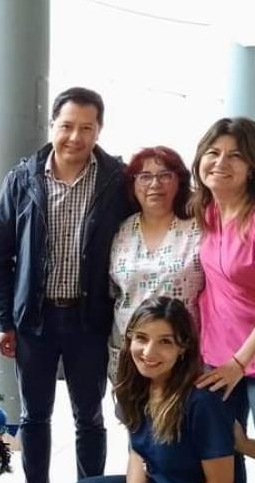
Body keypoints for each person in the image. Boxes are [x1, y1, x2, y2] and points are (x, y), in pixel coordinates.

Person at [0, 87, 132, 482]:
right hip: (35, 319)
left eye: (87, 127)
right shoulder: (21, 178)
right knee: (34, 416)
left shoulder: (117, 180)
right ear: (52, 125)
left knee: (89, 416)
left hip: (90, 318)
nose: (75, 137)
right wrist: (4, 321)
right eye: (67, 126)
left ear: (99, 131)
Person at [78, 297, 237, 483]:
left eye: (165, 342)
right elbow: (137, 454)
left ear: (183, 348)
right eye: (141, 338)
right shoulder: (137, 385)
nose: (148, 352)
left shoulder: (202, 401)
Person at [190, 117, 255, 471]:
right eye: (213, 152)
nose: (221, 163)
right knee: (224, 455)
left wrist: (239, 362)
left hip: (242, 359)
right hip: (215, 357)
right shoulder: (206, 211)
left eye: (236, 156)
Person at [107, 146, 203, 380]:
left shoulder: (199, 228)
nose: (154, 184)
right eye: (145, 176)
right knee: (133, 415)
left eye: (165, 175)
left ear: (179, 181)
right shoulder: (122, 230)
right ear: (133, 184)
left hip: (180, 351)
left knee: (182, 414)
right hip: (131, 351)